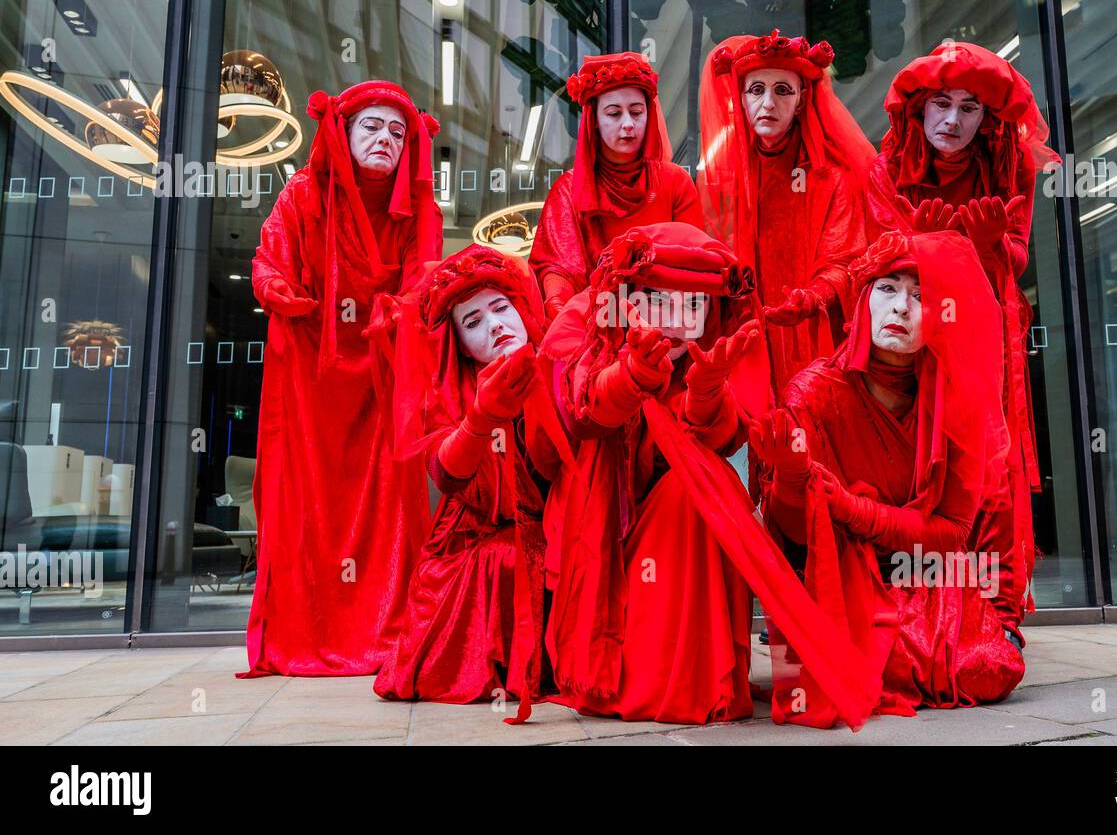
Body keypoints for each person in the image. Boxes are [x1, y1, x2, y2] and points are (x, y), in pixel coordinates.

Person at [540, 221, 884, 728]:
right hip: (602, 538)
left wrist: (704, 394)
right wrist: (631, 376)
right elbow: (579, 414)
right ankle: (666, 680)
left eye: (695, 304)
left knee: (707, 484)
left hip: (676, 528)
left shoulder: (707, 348)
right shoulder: (582, 321)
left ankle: (701, 675)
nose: (679, 321)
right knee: (701, 488)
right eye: (660, 299)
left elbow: (723, 441)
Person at [753, 230, 1024, 722]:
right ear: (862, 301)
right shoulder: (810, 394)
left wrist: (852, 509)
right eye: (887, 289)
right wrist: (793, 485)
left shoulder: (957, 399)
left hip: (924, 573)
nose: (900, 308)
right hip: (838, 580)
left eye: (921, 296)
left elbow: (952, 533)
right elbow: (790, 541)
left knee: (991, 669)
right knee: (853, 666)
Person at [241, 80, 441, 677]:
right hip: (309, 372)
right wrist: (280, 289)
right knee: (306, 501)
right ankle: (308, 631)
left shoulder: (419, 208)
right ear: (344, 132)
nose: (386, 139)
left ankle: (384, 630)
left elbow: (424, 280)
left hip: (382, 371)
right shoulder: (303, 192)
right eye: (372, 127)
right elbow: (268, 260)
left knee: (388, 499)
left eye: (397, 132)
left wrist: (395, 313)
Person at [865, 41, 1059, 628]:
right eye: (941, 104)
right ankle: (920, 607)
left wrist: (989, 245)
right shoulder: (886, 166)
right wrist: (920, 247)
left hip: (982, 327)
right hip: (915, 326)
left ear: (987, 117)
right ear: (919, 109)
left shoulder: (1012, 166)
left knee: (984, 459)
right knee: (924, 452)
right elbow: (877, 256)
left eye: (970, 108)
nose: (953, 121)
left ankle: (995, 610)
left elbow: (1016, 260)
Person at [373, 247, 561, 720]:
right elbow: (447, 474)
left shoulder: (561, 364)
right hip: (476, 536)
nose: (495, 325)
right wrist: (480, 418)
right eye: (473, 321)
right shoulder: (450, 394)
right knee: (507, 560)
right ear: (457, 343)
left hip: (559, 527)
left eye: (501, 309)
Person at [697, 29, 876, 398]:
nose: (768, 103)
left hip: (816, 340)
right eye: (756, 89)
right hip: (749, 339)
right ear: (740, 99)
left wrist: (812, 298)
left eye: (782, 90)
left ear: (800, 100)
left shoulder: (833, 177)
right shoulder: (723, 177)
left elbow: (849, 259)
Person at [529, 52, 704, 319]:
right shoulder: (568, 190)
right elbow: (555, 270)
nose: (628, 124)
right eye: (613, 113)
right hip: (593, 328)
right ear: (594, 121)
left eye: (637, 112)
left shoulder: (675, 182)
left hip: (668, 325)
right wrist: (563, 312)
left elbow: (695, 263)